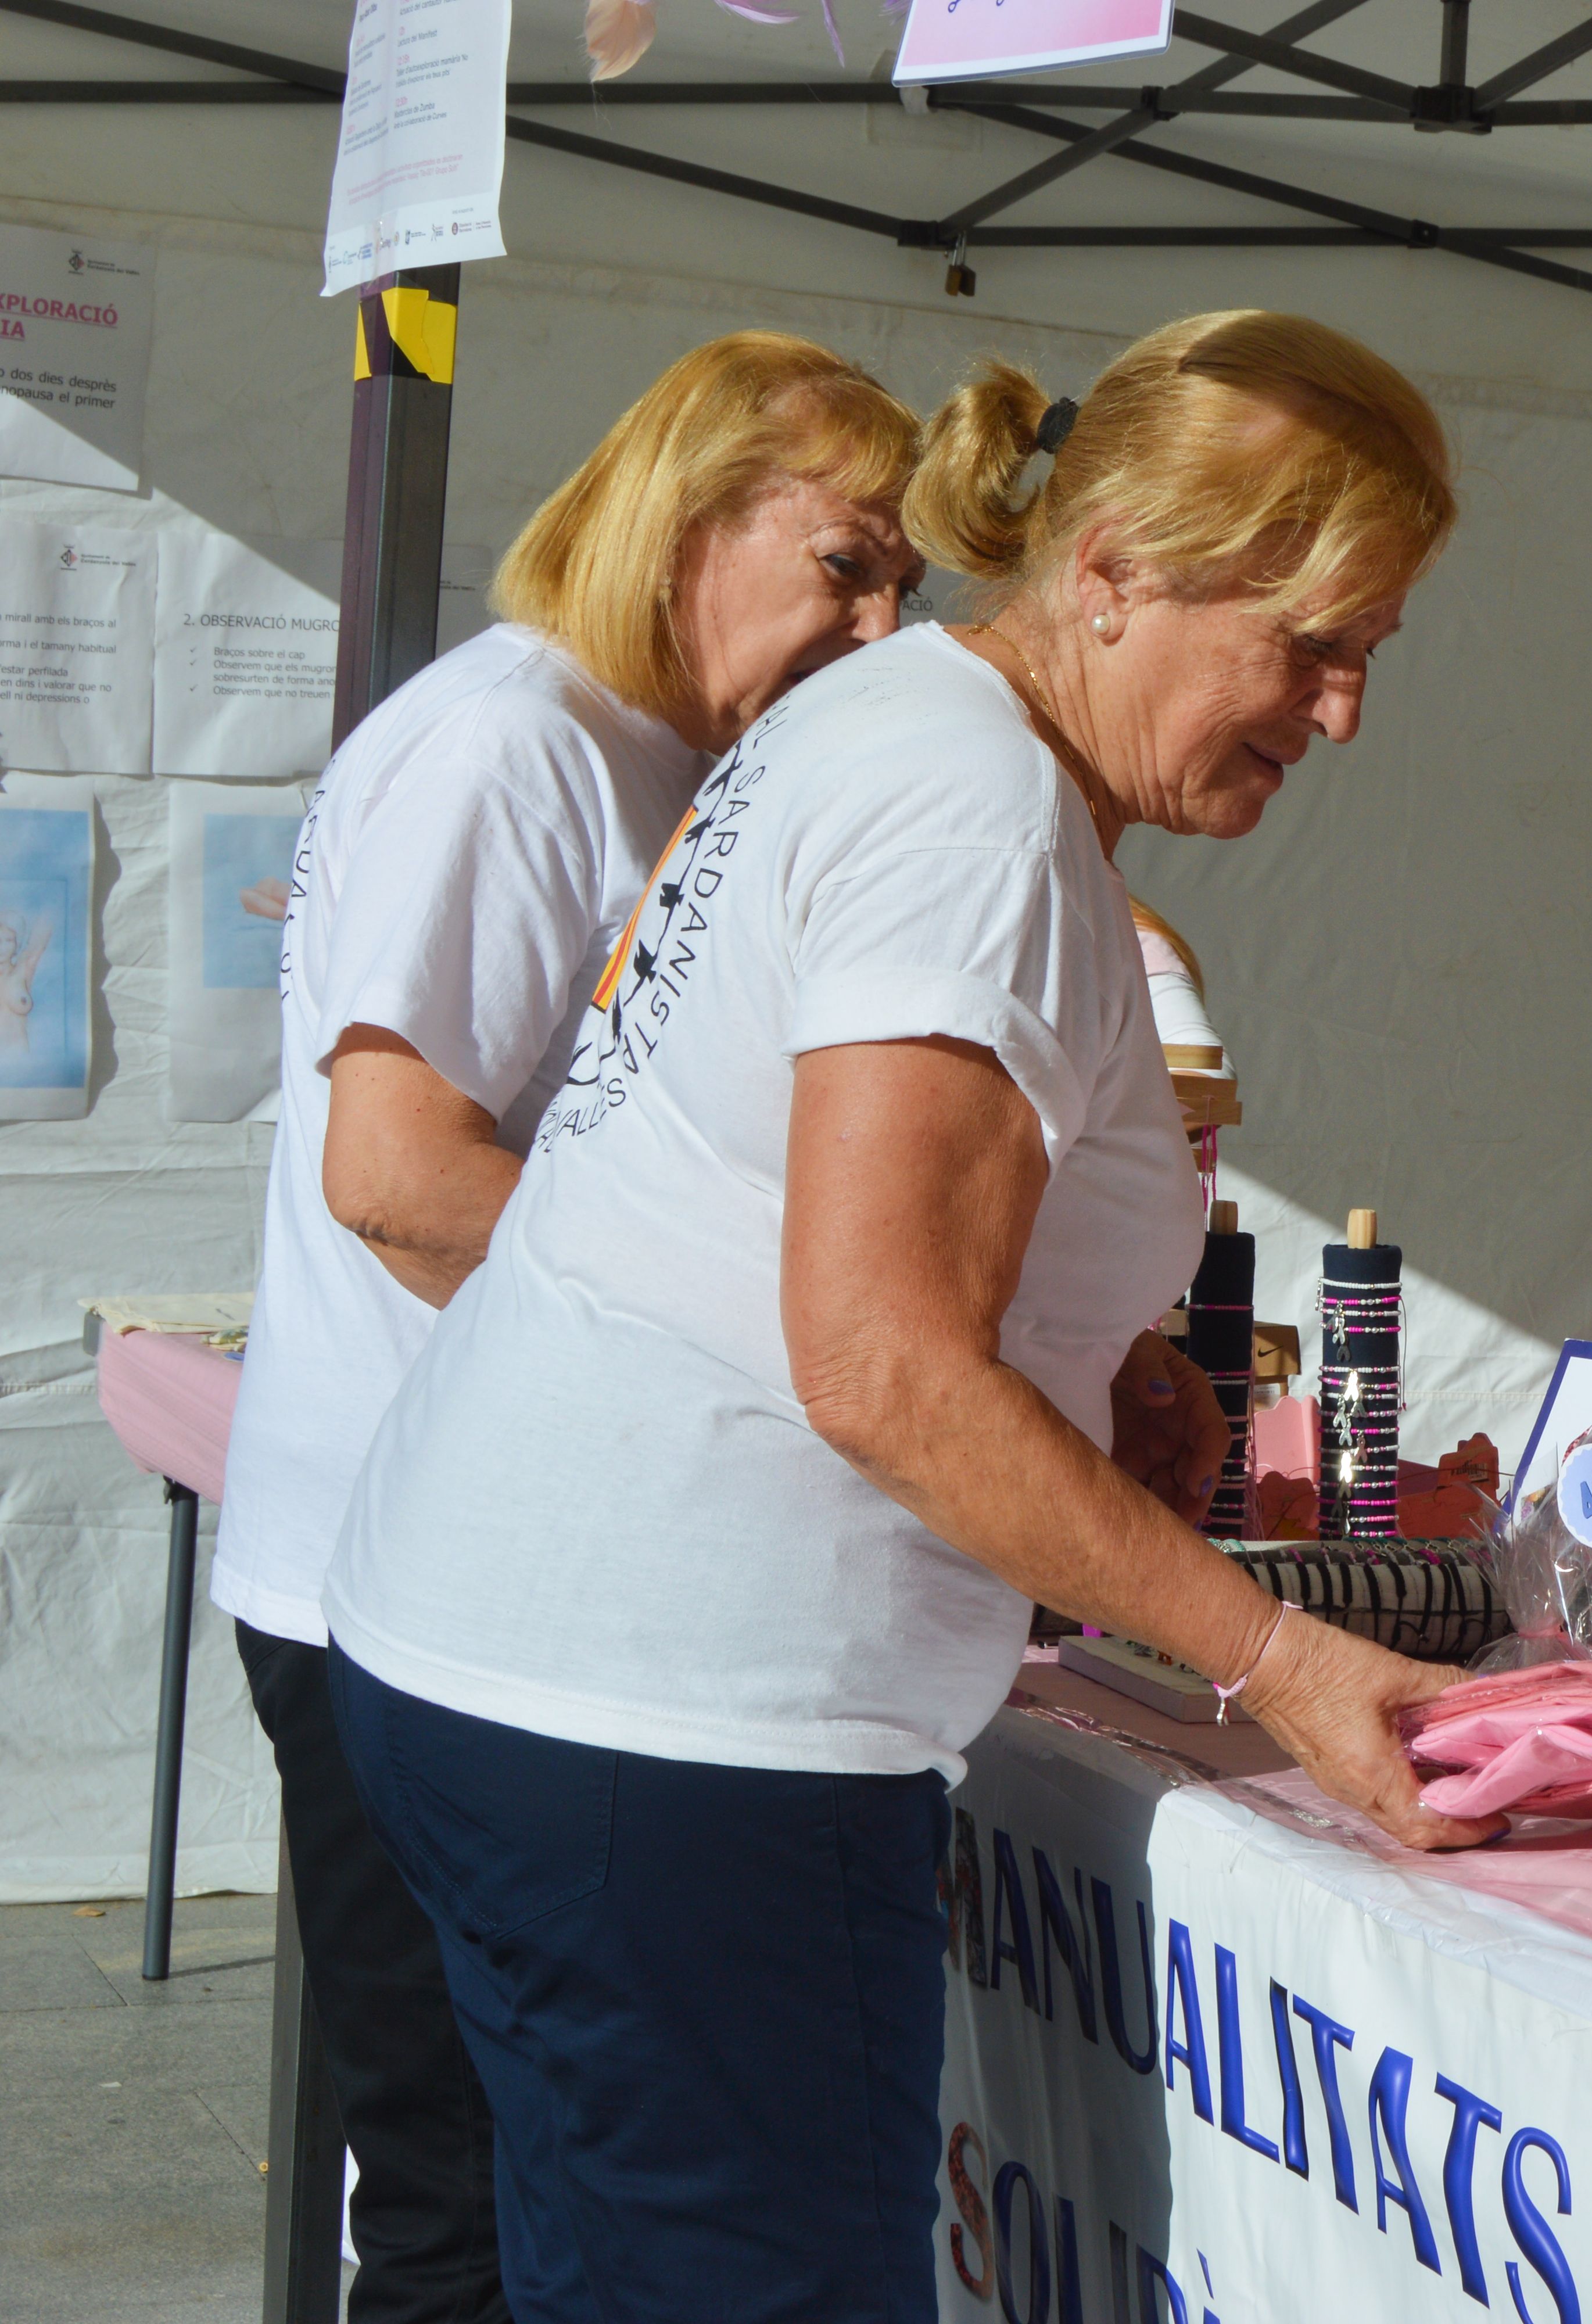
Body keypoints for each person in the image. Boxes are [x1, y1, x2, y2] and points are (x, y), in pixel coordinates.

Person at [313, 311, 1481, 2323]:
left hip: (534, 1663)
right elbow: (878, 1363)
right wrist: (1276, 1658)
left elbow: (784, 1181)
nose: (1344, 708)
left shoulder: (911, 734)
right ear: (1107, 574)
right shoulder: (975, 812)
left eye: (1368, 648)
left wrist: (1097, 1361)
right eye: (1308, 641)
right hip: (673, 1723)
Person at [210, 330, 921, 2324]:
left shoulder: (667, 756)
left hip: (495, 1582)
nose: (873, 628)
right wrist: (757, 1359)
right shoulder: (514, 740)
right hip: (394, 1576)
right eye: (846, 564)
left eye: (902, 592)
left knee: (525, 2196)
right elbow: (400, 1170)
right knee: (453, 2205)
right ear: (690, 519)